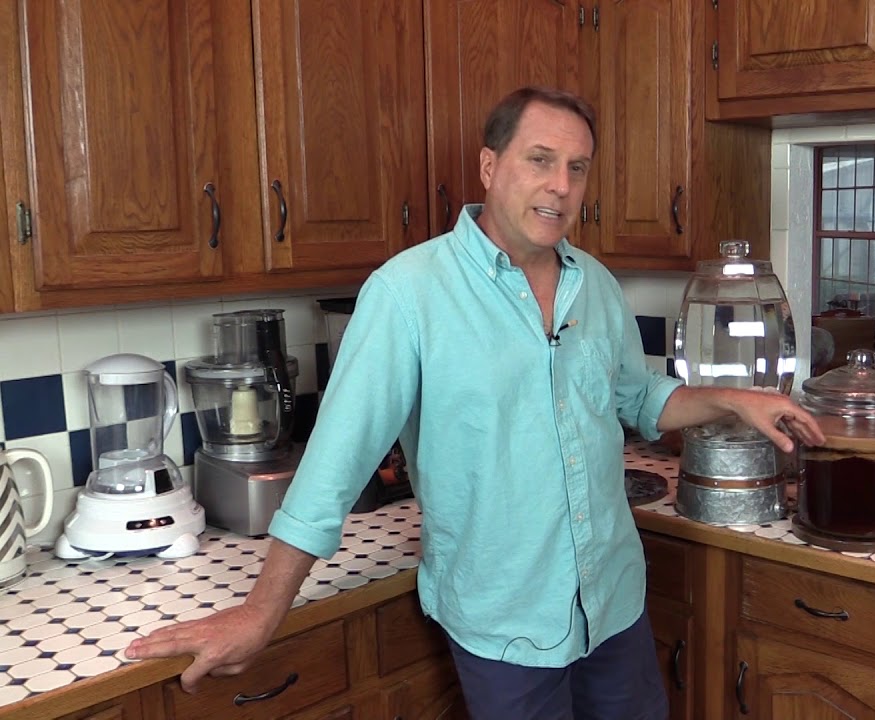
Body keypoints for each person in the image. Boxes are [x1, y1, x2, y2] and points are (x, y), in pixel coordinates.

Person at [126, 86, 824, 720]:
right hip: (503, 625)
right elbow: (333, 468)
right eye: (540, 160)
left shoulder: (596, 285)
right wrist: (261, 611)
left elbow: (640, 399)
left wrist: (738, 400)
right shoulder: (408, 293)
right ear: (490, 166)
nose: (560, 185)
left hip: (613, 604)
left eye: (577, 168)